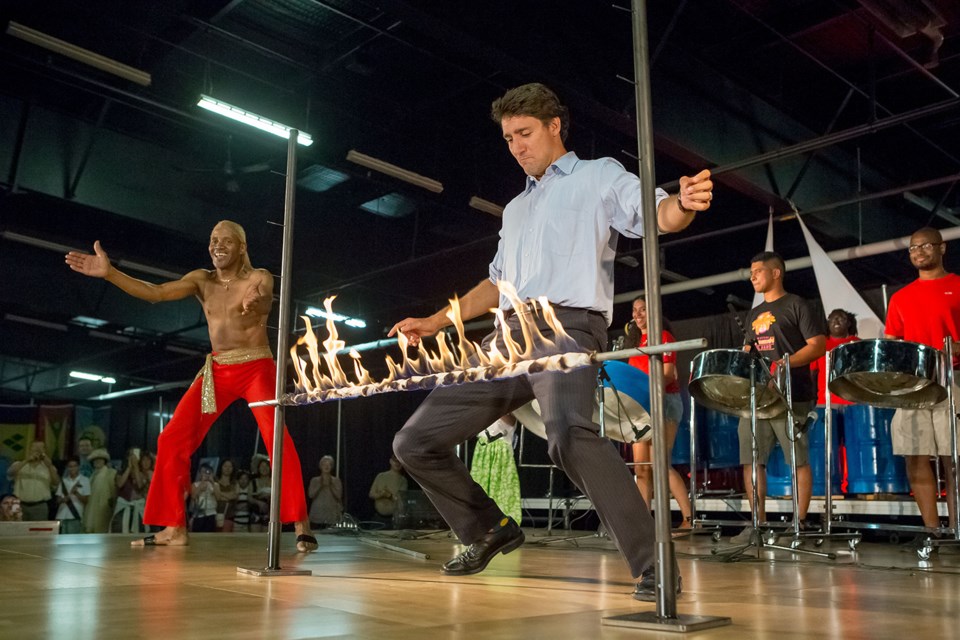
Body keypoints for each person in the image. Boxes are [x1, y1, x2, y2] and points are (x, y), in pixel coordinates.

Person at [388, 83, 712, 601]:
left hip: (566, 326)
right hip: (506, 338)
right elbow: (496, 283)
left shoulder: (596, 175)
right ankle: (488, 529)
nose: (516, 146)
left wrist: (683, 203)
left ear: (555, 126)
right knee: (412, 442)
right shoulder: (516, 209)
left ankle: (654, 564)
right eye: (508, 137)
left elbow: (653, 213)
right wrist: (435, 321)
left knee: (567, 434)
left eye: (525, 133)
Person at [65, 220, 316, 551]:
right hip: (218, 369)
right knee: (171, 439)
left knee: (276, 440)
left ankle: (301, 525)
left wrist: (256, 300)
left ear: (242, 247)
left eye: (226, 240)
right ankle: (174, 527)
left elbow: (264, 297)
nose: (217, 246)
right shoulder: (202, 280)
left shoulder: (259, 276)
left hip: (256, 366)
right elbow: (156, 293)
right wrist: (111, 273)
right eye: (213, 240)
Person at [734, 251, 826, 542]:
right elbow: (748, 350)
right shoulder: (753, 313)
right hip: (757, 398)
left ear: (776, 273)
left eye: (758, 271)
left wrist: (784, 363)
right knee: (751, 459)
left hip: (791, 394)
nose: (753, 277)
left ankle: (798, 523)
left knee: (797, 460)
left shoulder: (796, 304)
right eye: (751, 272)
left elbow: (818, 344)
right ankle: (757, 524)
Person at [884, 227, 959, 532]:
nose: (918, 252)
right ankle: (932, 531)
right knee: (915, 456)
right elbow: (892, 343)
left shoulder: (957, 285)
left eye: (925, 246)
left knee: (953, 459)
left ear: (942, 248)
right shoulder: (901, 298)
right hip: (913, 385)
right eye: (913, 248)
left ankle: (957, 529)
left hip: (952, 379)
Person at [625, 297, 693, 532]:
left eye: (643, 310)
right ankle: (644, 522)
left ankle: (689, 519)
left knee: (659, 464)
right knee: (641, 467)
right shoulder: (635, 340)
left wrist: (644, 387)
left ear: (654, 311)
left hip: (664, 402)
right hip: (641, 405)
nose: (638, 314)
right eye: (635, 311)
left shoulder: (663, 336)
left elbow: (668, 375)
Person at [469, 416, 522, 525]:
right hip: (482, 449)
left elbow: (511, 422)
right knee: (479, 487)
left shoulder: (508, 410)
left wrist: (498, 408)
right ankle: (477, 524)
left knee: (502, 489)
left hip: (501, 451)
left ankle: (505, 525)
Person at [810, 309, 859, 407]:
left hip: (853, 403)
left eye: (841, 318)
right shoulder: (820, 344)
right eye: (832, 319)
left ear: (848, 323)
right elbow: (811, 373)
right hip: (826, 402)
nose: (836, 321)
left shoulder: (858, 344)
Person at [8, 441, 59, 521]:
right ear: (29, 450)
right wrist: (26, 460)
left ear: (45, 451)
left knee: (39, 531)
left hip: (40, 506)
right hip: (18, 504)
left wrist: (49, 466)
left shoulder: (49, 468)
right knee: (17, 529)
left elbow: (56, 483)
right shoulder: (18, 464)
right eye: (34, 447)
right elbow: (10, 473)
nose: (37, 450)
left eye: (40, 448)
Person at [113, 448, 148, 533]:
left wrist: (135, 466)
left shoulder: (143, 473)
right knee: (120, 530)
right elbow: (120, 484)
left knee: (139, 531)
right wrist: (129, 467)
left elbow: (140, 484)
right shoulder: (120, 472)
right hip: (123, 506)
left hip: (138, 507)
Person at [368, 455, 409, 527]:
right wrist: (381, 494)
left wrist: (389, 495)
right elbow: (371, 494)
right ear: (390, 461)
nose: (397, 463)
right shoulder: (381, 476)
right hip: (378, 518)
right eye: (395, 461)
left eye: (399, 462)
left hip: (394, 519)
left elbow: (401, 502)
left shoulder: (403, 480)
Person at [83, 448, 117, 533]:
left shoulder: (111, 473)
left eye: (100, 460)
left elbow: (114, 492)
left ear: (104, 461)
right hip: (91, 508)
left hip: (104, 508)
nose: (97, 462)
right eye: (95, 460)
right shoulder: (92, 476)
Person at [55, 456, 90, 534]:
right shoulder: (63, 481)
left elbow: (86, 500)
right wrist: (65, 498)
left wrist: (76, 493)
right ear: (67, 468)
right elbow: (58, 500)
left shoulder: (85, 480)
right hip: (61, 516)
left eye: (75, 466)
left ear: (78, 467)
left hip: (75, 516)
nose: (72, 468)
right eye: (70, 466)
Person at [307, 455, 344, 529]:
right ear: (321, 466)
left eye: (329, 464)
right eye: (324, 464)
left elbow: (339, 496)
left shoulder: (336, 481)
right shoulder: (315, 480)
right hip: (317, 516)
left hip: (332, 516)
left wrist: (330, 485)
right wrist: (320, 484)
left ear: (332, 466)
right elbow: (310, 495)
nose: (326, 466)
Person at [190, 463, 218, 532]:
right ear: (199, 473)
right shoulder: (195, 484)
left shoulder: (216, 484)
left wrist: (213, 483)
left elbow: (219, 497)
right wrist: (201, 486)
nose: (205, 474)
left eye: (208, 472)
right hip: (198, 515)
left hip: (211, 514)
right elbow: (193, 496)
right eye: (203, 472)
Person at [213, 458, 238, 532]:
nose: (227, 468)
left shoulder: (235, 483)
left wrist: (220, 494)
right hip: (215, 515)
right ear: (221, 467)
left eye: (230, 466)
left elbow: (234, 496)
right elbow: (217, 497)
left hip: (229, 516)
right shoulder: (215, 482)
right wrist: (227, 496)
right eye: (225, 466)